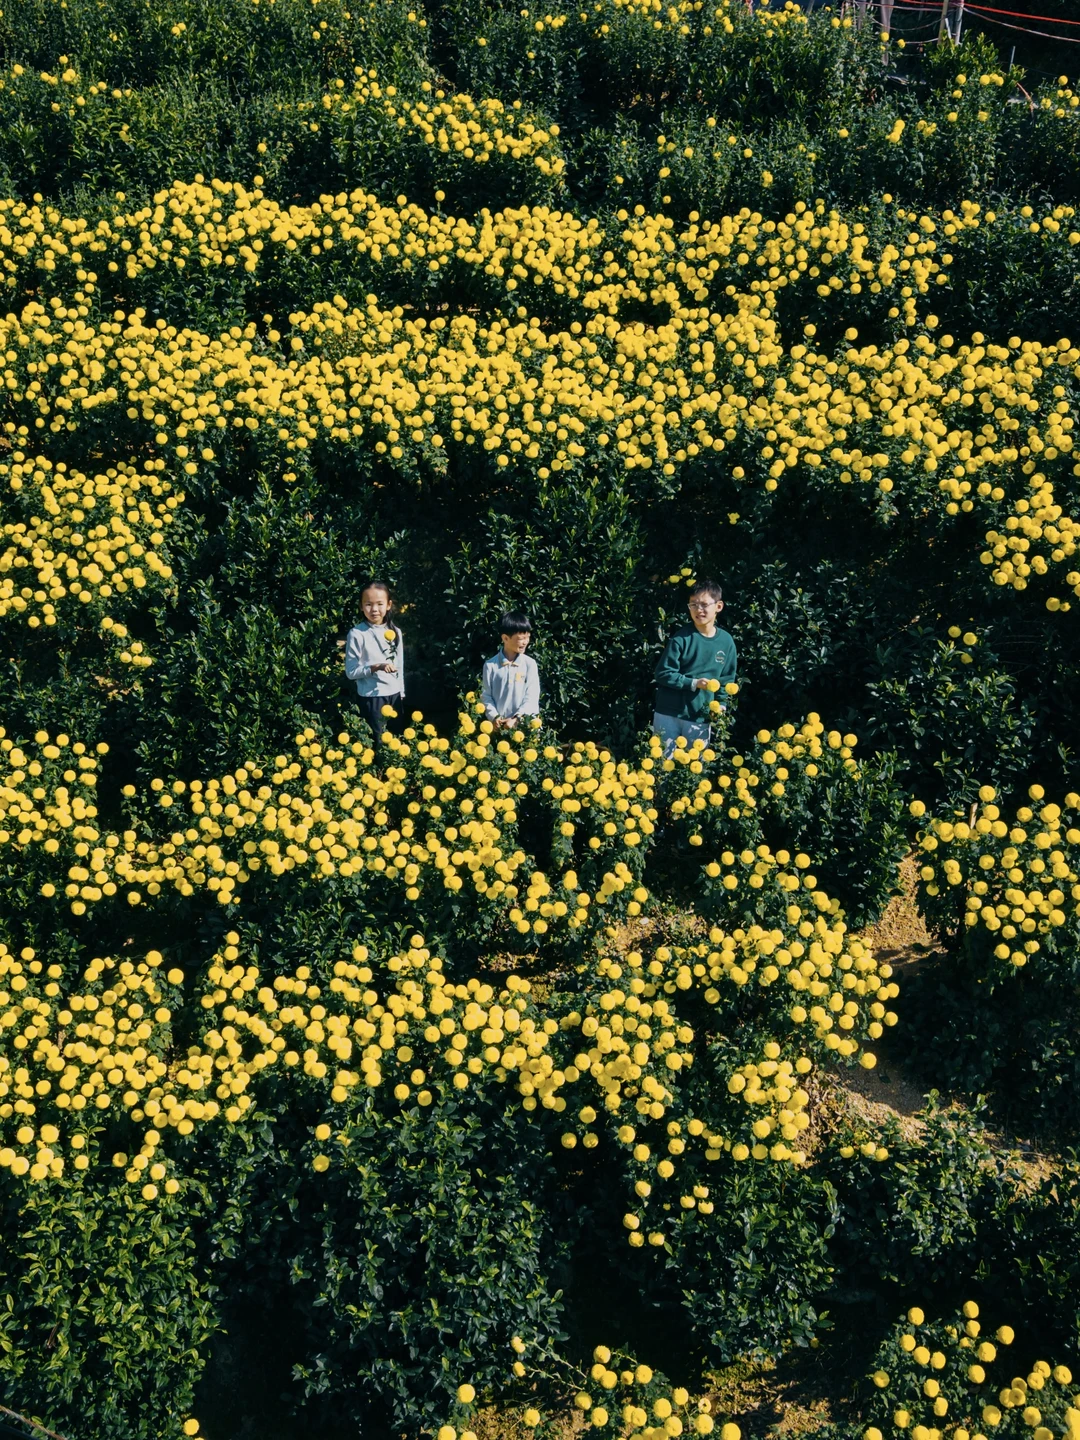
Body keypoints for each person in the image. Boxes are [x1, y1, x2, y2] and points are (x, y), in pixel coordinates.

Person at [653, 578, 737, 757]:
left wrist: (721, 705)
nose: (699, 610)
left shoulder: (726, 642)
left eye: (704, 604)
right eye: (693, 605)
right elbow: (662, 673)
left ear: (719, 606)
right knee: (661, 769)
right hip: (668, 713)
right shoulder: (681, 638)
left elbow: (727, 680)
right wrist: (693, 683)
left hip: (700, 716)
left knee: (695, 769)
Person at [344, 580, 404, 743]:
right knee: (377, 743)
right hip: (372, 698)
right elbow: (351, 672)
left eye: (379, 604)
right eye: (368, 604)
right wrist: (376, 667)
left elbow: (400, 666)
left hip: (394, 695)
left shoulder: (395, 631)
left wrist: (401, 692)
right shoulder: (357, 634)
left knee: (397, 741)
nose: (374, 609)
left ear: (389, 605)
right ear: (361, 606)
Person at [481, 612, 540, 729]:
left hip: (525, 727)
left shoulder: (529, 664)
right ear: (505, 638)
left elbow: (532, 696)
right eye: (521, 638)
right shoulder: (490, 665)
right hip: (499, 727)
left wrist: (517, 718)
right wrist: (494, 717)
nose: (525, 642)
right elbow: (486, 696)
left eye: (528, 637)